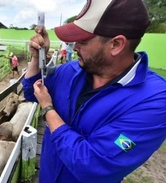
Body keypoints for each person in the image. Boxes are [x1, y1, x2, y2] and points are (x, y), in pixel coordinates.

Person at [22, 0, 166, 183]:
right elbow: (31, 92)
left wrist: (48, 109)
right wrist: (37, 59)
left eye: (83, 41)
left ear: (116, 44)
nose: (74, 47)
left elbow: (91, 165)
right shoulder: (73, 69)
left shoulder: (155, 101)